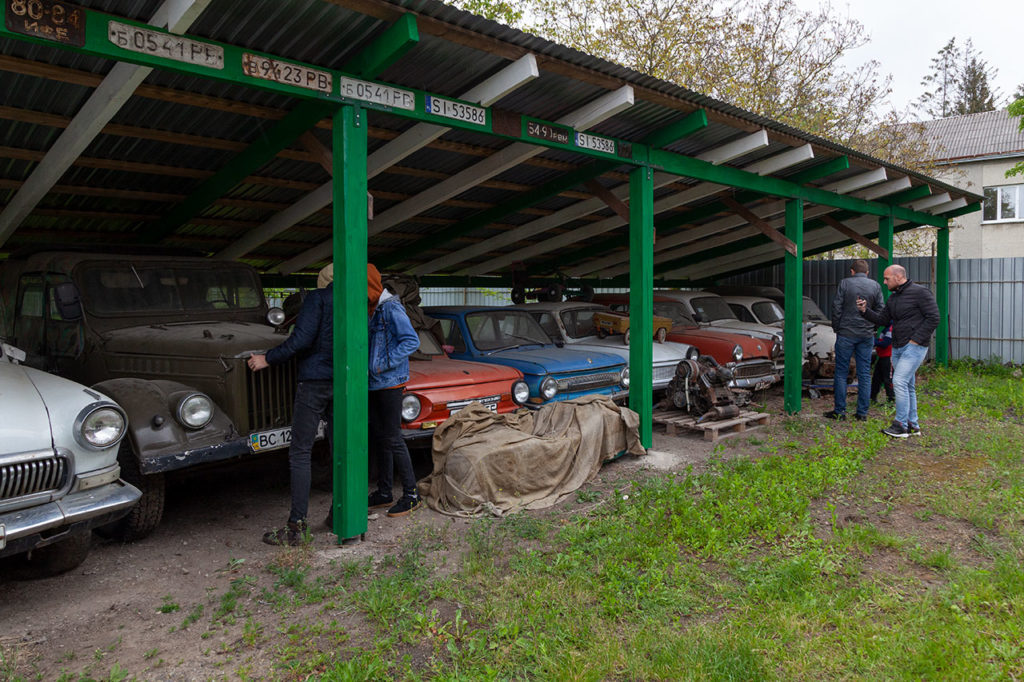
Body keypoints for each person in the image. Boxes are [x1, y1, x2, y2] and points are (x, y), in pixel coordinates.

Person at [249, 264, 335, 546]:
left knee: (300, 452)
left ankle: (296, 527)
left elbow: (301, 339)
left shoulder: (317, 298)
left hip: (314, 382)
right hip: (345, 383)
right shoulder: (357, 301)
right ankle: (340, 513)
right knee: (340, 450)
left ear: (324, 280)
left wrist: (268, 358)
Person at [857, 264, 940, 438]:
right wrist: (865, 311)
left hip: (914, 346)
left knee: (899, 381)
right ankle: (913, 425)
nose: (884, 282)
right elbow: (882, 319)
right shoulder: (894, 298)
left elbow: (934, 317)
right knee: (908, 385)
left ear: (898, 277)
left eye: (887, 278)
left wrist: (916, 339)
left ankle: (900, 425)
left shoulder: (921, 293)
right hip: (898, 346)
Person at [367, 263, 423, 517]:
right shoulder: (374, 309)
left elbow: (412, 340)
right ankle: (384, 492)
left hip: (390, 383)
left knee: (393, 438)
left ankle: (411, 494)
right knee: (382, 438)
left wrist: (383, 363)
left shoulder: (390, 308)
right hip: (376, 383)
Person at [825, 259, 884, 421]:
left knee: (841, 373)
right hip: (866, 335)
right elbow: (880, 309)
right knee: (864, 373)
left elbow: (836, 307)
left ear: (852, 271)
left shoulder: (844, 284)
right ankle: (862, 413)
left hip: (846, 333)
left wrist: (837, 327)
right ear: (867, 272)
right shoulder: (876, 286)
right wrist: (874, 328)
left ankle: (839, 411)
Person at [870, 323, 895, 404]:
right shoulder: (886, 328)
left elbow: (885, 343)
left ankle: (891, 399)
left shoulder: (891, 328)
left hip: (889, 357)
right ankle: (872, 397)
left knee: (888, 379)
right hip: (882, 356)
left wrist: (872, 341)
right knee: (876, 378)